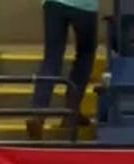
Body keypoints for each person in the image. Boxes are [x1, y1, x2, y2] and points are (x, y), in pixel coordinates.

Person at [26, 0, 98, 141]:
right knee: (85, 56)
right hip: (84, 6)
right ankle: (71, 112)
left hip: (54, 4)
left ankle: (38, 114)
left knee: (51, 58)